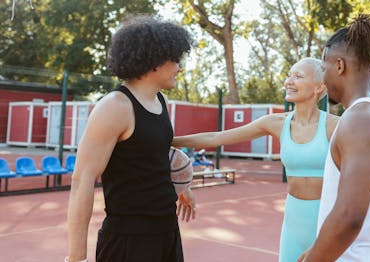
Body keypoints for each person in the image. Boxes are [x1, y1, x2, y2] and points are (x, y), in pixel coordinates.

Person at [172, 57, 339, 262]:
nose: (289, 81)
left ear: (319, 86)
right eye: (289, 75)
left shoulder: (336, 126)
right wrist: (168, 141)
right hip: (294, 223)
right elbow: (216, 137)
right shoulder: (275, 123)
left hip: (327, 222)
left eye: (298, 76)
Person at [66, 15, 196, 262]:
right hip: (128, 240)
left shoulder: (161, 101)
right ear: (155, 61)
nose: (180, 67)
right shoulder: (115, 106)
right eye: (176, 59)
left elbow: (153, 154)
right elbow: (81, 179)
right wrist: (76, 258)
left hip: (167, 231)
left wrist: (183, 186)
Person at [298, 14, 370, 261]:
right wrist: (316, 249)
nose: (323, 79)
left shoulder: (360, 118)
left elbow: (349, 216)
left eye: (324, 67)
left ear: (339, 66)